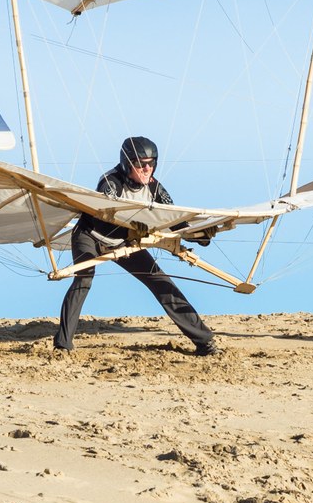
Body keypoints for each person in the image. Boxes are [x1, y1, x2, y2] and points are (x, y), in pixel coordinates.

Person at [54, 136, 218, 356]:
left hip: (124, 243)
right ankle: (62, 345)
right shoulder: (111, 182)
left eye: (152, 163)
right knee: (83, 279)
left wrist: (200, 236)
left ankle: (204, 342)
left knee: (161, 282)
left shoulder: (155, 187)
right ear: (127, 163)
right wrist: (129, 229)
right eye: (141, 163)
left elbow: (176, 222)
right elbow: (105, 216)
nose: (147, 168)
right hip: (90, 236)